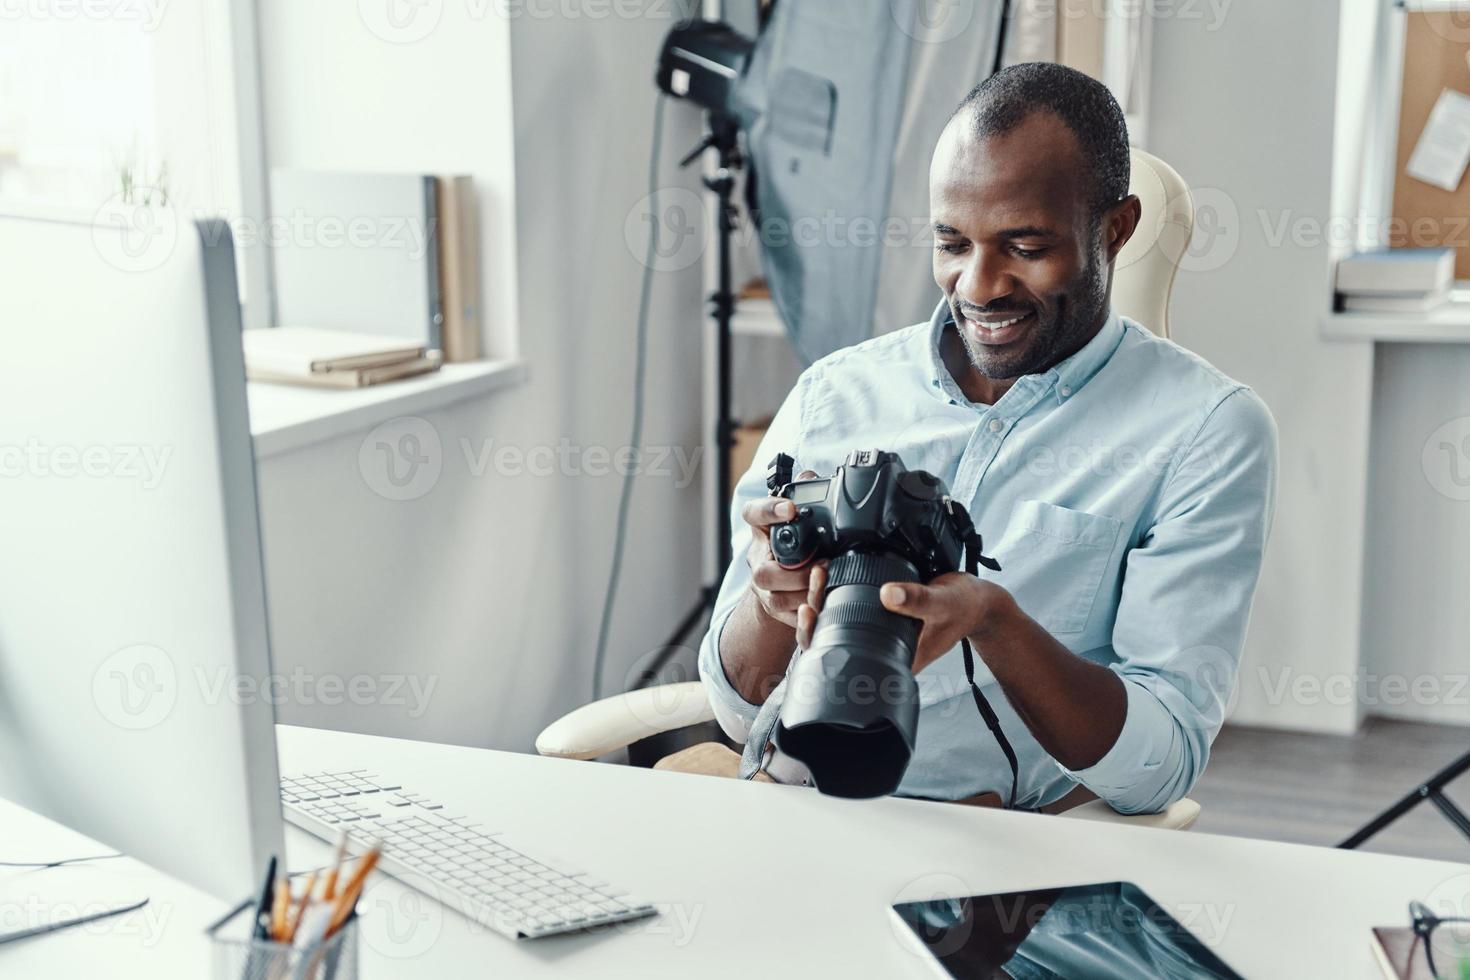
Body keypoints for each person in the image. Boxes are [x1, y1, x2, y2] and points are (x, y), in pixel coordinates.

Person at [695, 62, 1278, 813]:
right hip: (795, 809)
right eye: (952, 243)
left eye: (1025, 248)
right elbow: (736, 708)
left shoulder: (1203, 431)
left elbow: (1159, 767)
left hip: (1005, 851)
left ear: (1117, 228)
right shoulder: (835, 393)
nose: (978, 285)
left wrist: (994, 623)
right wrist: (769, 609)